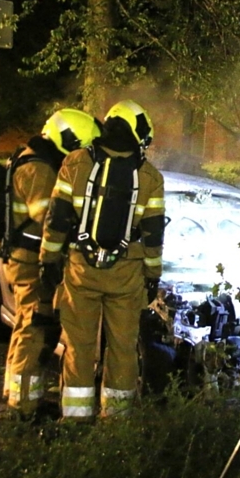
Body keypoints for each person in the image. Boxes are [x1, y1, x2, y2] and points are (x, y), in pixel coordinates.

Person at [39, 100, 165, 420]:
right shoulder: (149, 175)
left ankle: (76, 421)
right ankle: (116, 424)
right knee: (123, 349)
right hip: (127, 274)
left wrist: (48, 260)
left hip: (81, 269)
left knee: (79, 347)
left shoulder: (76, 162)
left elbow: (57, 219)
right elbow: (153, 234)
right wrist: (153, 276)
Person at [2, 108, 102, 417]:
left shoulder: (33, 157)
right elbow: (48, 219)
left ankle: (17, 396)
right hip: (32, 262)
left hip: (27, 259)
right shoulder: (40, 170)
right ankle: (23, 408)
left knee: (27, 327)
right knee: (35, 328)